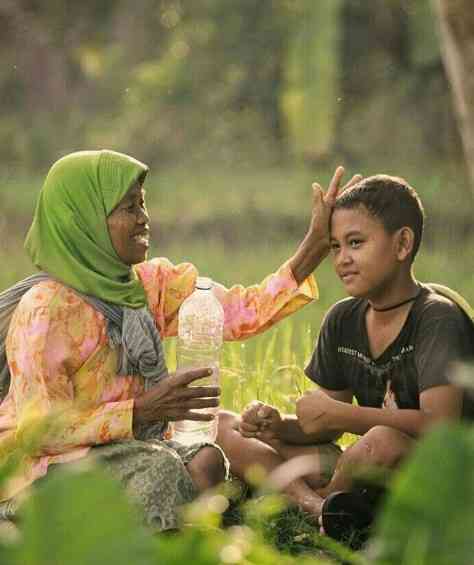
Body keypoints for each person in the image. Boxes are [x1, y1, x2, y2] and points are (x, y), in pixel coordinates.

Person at [0, 149, 359, 530]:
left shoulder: (147, 285)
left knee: (207, 459)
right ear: (84, 220)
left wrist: (315, 247)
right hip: (47, 468)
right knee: (164, 469)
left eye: (143, 203)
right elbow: (41, 431)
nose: (144, 218)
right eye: (128, 208)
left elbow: (241, 312)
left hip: (126, 447)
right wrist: (140, 411)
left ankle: (173, 536)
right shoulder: (45, 310)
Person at [229, 174, 473, 526]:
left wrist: (340, 417)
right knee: (227, 425)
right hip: (365, 466)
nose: (342, 258)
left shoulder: (436, 318)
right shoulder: (343, 318)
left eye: (355, 243)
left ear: (403, 244)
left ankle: (309, 508)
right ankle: (322, 508)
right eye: (335, 247)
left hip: (438, 477)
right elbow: (324, 425)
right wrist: (278, 426)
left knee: (382, 442)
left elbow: (440, 426)